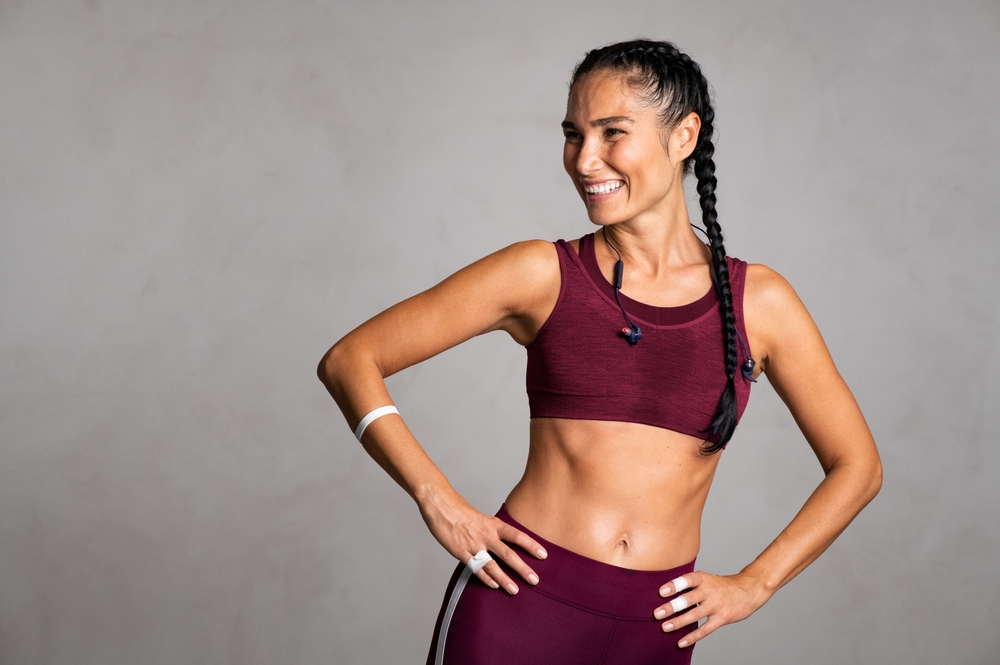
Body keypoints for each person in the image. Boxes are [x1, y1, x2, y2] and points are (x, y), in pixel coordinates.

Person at [318, 39, 882, 664]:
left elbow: (857, 466)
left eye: (612, 132)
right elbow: (351, 359)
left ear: (684, 136)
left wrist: (756, 582)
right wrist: (437, 498)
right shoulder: (541, 273)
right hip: (520, 603)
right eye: (573, 135)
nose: (586, 160)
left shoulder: (760, 303)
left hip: (656, 629)